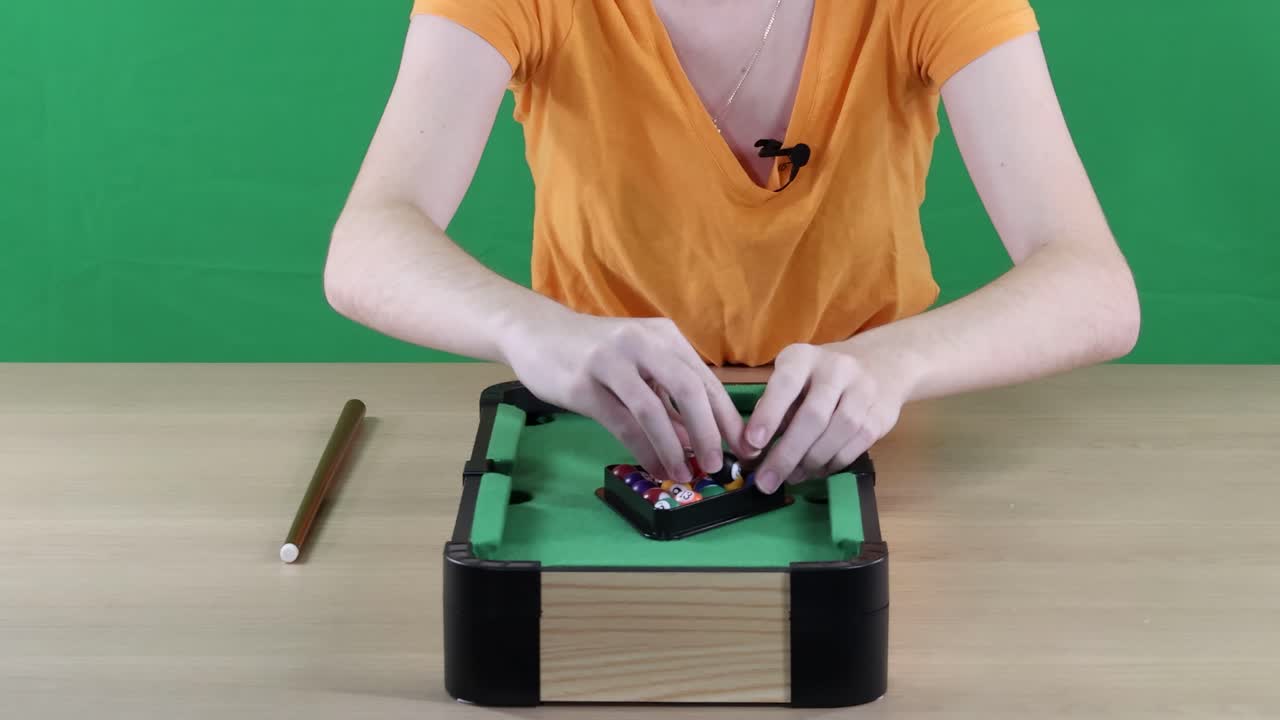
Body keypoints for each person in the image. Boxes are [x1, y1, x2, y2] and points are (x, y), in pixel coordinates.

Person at [323, 0, 1141, 495]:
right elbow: (366, 243)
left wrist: (896, 363)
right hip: (599, 437)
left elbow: (1095, 289)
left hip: (870, 441)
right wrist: (529, 329)